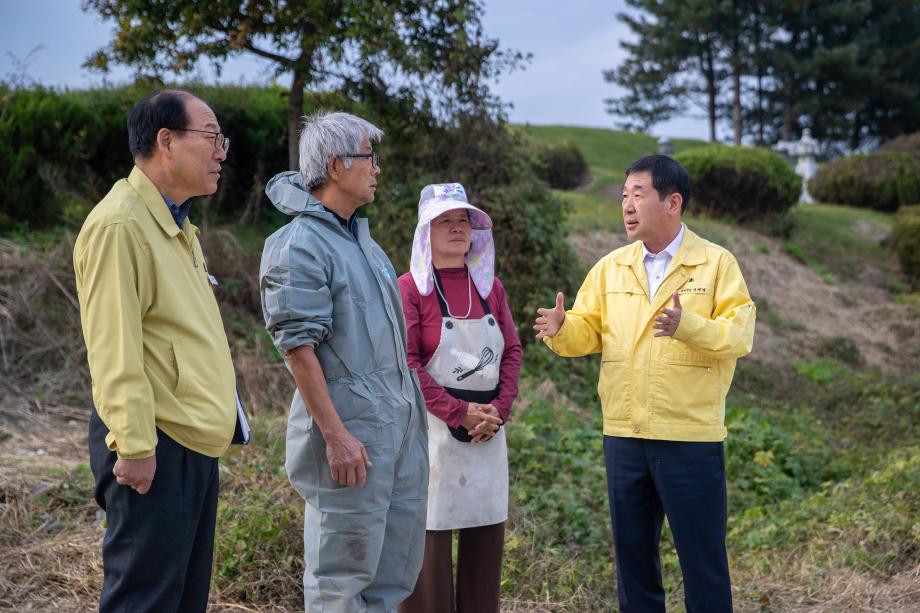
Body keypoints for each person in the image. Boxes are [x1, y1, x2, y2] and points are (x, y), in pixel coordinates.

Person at [534, 155, 756, 613]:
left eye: (639, 194)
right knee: (633, 565)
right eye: (624, 195)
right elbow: (588, 330)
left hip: (689, 437)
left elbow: (739, 335)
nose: (627, 205)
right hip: (624, 436)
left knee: (703, 565)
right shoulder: (611, 267)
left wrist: (686, 325)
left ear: (673, 202)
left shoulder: (716, 264)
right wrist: (562, 328)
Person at [73, 89, 236, 612]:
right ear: (166, 141)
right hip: (154, 444)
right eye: (211, 137)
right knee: (144, 601)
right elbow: (113, 347)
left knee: (182, 600)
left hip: (188, 442)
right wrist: (137, 446)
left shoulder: (176, 223)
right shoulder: (120, 225)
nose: (221, 152)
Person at [259, 111, 428, 612]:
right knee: (340, 579)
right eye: (368, 157)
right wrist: (335, 436)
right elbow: (298, 349)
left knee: (392, 574)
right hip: (351, 436)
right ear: (335, 166)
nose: (377, 168)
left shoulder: (362, 242)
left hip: (396, 434)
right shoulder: (298, 245)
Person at [396, 184, 522, 613]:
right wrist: (457, 412)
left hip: (487, 432)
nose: (456, 228)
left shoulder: (491, 288)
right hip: (431, 434)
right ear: (424, 233)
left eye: (463, 220)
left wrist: (498, 411)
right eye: (445, 221)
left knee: (485, 540)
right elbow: (407, 362)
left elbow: (512, 351)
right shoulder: (410, 289)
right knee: (428, 544)